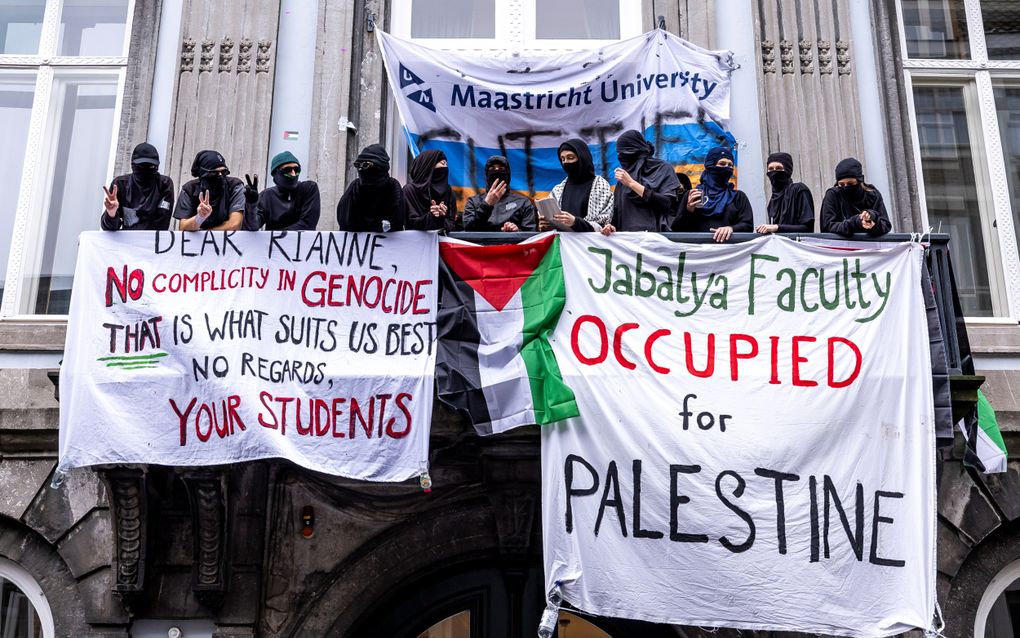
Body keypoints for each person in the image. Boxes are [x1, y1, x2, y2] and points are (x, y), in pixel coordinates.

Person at [600, 130, 679, 234]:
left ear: (634, 151)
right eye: (619, 153)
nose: (621, 157)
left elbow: (667, 203)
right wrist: (611, 226)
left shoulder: (662, 169)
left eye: (624, 153)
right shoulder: (624, 178)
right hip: (629, 242)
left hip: (657, 238)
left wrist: (632, 184)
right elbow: (618, 211)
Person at [670, 146, 753, 242]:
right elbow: (677, 229)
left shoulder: (738, 197)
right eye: (722, 164)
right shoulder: (694, 195)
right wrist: (688, 210)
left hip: (729, 252)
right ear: (710, 166)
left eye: (730, 165)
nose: (727, 168)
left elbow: (748, 226)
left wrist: (731, 229)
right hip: (699, 252)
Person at [541, 139, 612, 232]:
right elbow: (554, 222)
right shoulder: (558, 190)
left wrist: (575, 222)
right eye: (563, 159)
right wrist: (545, 225)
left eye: (570, 158)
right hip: (564, 244)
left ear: (582, 158)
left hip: (590, 244)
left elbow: (602, 224)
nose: (566, 162)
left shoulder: (600, 185)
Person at [101, 143, 175, 231]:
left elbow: (161, 223)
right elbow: (108, 228)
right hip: (126, 242)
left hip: (153, 242)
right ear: (133, 165)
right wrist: (111, 213)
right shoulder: (120, 185)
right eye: (141, 166)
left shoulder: (164, 184)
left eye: (151, 166)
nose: (146, 170)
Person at [336, 144, 405, 232]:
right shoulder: (355, 188)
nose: (361, 170)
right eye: (358, 165)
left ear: (379, 167)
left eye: (366, 165)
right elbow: (344, 221)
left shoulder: (392, 187)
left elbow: (397, 222)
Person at [173, 150, 246, 231]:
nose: (220, 175)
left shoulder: (234, 186)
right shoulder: (189, 189)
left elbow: (235, 224)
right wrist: (199, 218)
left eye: (224, 172)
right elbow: (183, 227)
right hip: (196, 243)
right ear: (203, 174)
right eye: (215, 173)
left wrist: (206, 234)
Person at [820, 158, 892, 237]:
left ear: (860, 180)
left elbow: (885, 225)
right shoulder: (833, 195)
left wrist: (872, 220)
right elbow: (828, 227)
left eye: (850, 183)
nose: (846, 187)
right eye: (841, 184)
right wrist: (855, 223)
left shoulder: (872, 195)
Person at [463, 156, 537, 232]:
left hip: (512, 243)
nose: (497, 172)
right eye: (492, 169)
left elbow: (531, 233)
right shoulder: (473, 202)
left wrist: (517, 231)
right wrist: (487, 204)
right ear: (486, 175)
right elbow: (468, 228)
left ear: (508, 175)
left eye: (501, 169)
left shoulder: (523, 202)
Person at [250, 151, 320, 231]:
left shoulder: (309, 189)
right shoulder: (267, 196)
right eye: (288, 170)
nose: (293, 174)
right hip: (274, 243)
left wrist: (277, 235)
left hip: (300, 243)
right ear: (276, 173)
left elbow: (308, 225)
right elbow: (253, 226)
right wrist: (251, 205)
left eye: (296, 169)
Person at [756, 152, 814, 234]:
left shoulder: (799, 190)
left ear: (788, 169)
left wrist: (777, 227)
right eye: (770, 169)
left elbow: (807, 228)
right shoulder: (773, 200)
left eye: (779, 168)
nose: (774, 172)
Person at [403, 149, 457, 232]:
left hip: (441, 244)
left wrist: (441, 217)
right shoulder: (410, 190)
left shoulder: (449, 192)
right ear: (428, 166)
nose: (445, 167)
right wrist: (431, 217)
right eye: (442, 163)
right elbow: (409, 223)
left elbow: (451, 225)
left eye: (446, 164)